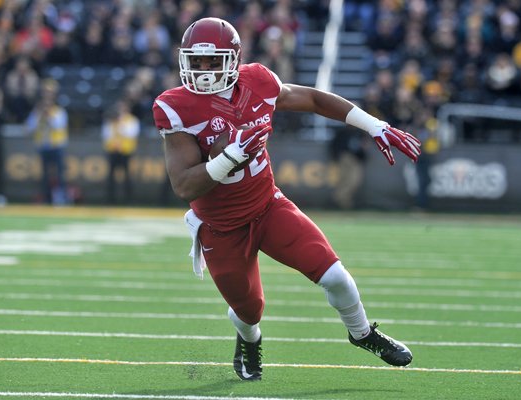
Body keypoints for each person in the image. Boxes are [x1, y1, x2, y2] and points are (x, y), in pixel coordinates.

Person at [152, 17, 421, 381]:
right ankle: (249, 340)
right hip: (222, 227)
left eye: (212, 60)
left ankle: (363, 334)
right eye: (196, 61)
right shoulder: (176, 106)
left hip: (268, 207)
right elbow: (184, 186)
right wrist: (229, 157)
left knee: (336, 276)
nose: (202, 70)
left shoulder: (258, 81)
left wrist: (375, 125)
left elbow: (311, 98)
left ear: (232, 59)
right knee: (249, 310)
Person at [25, 78, 69, 205]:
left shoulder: (59, 111)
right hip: (43, 146)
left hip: (57, 146)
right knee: (44, 175)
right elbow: (29, 127)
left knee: (60, 174)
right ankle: (46, 198)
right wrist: (40, 116)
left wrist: (48, 116)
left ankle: (61, 198)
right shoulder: (37, 112)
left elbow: (59, 125)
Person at [102, 100, 140, 204]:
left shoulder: (132, 120)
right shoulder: (111, 121)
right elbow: (106, 135)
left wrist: (121, 124)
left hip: (126, 152)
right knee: (111, 176)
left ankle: (129, 199)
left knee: (127, 176)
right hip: (113, 151)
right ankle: (110, 199)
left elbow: (131, 133)